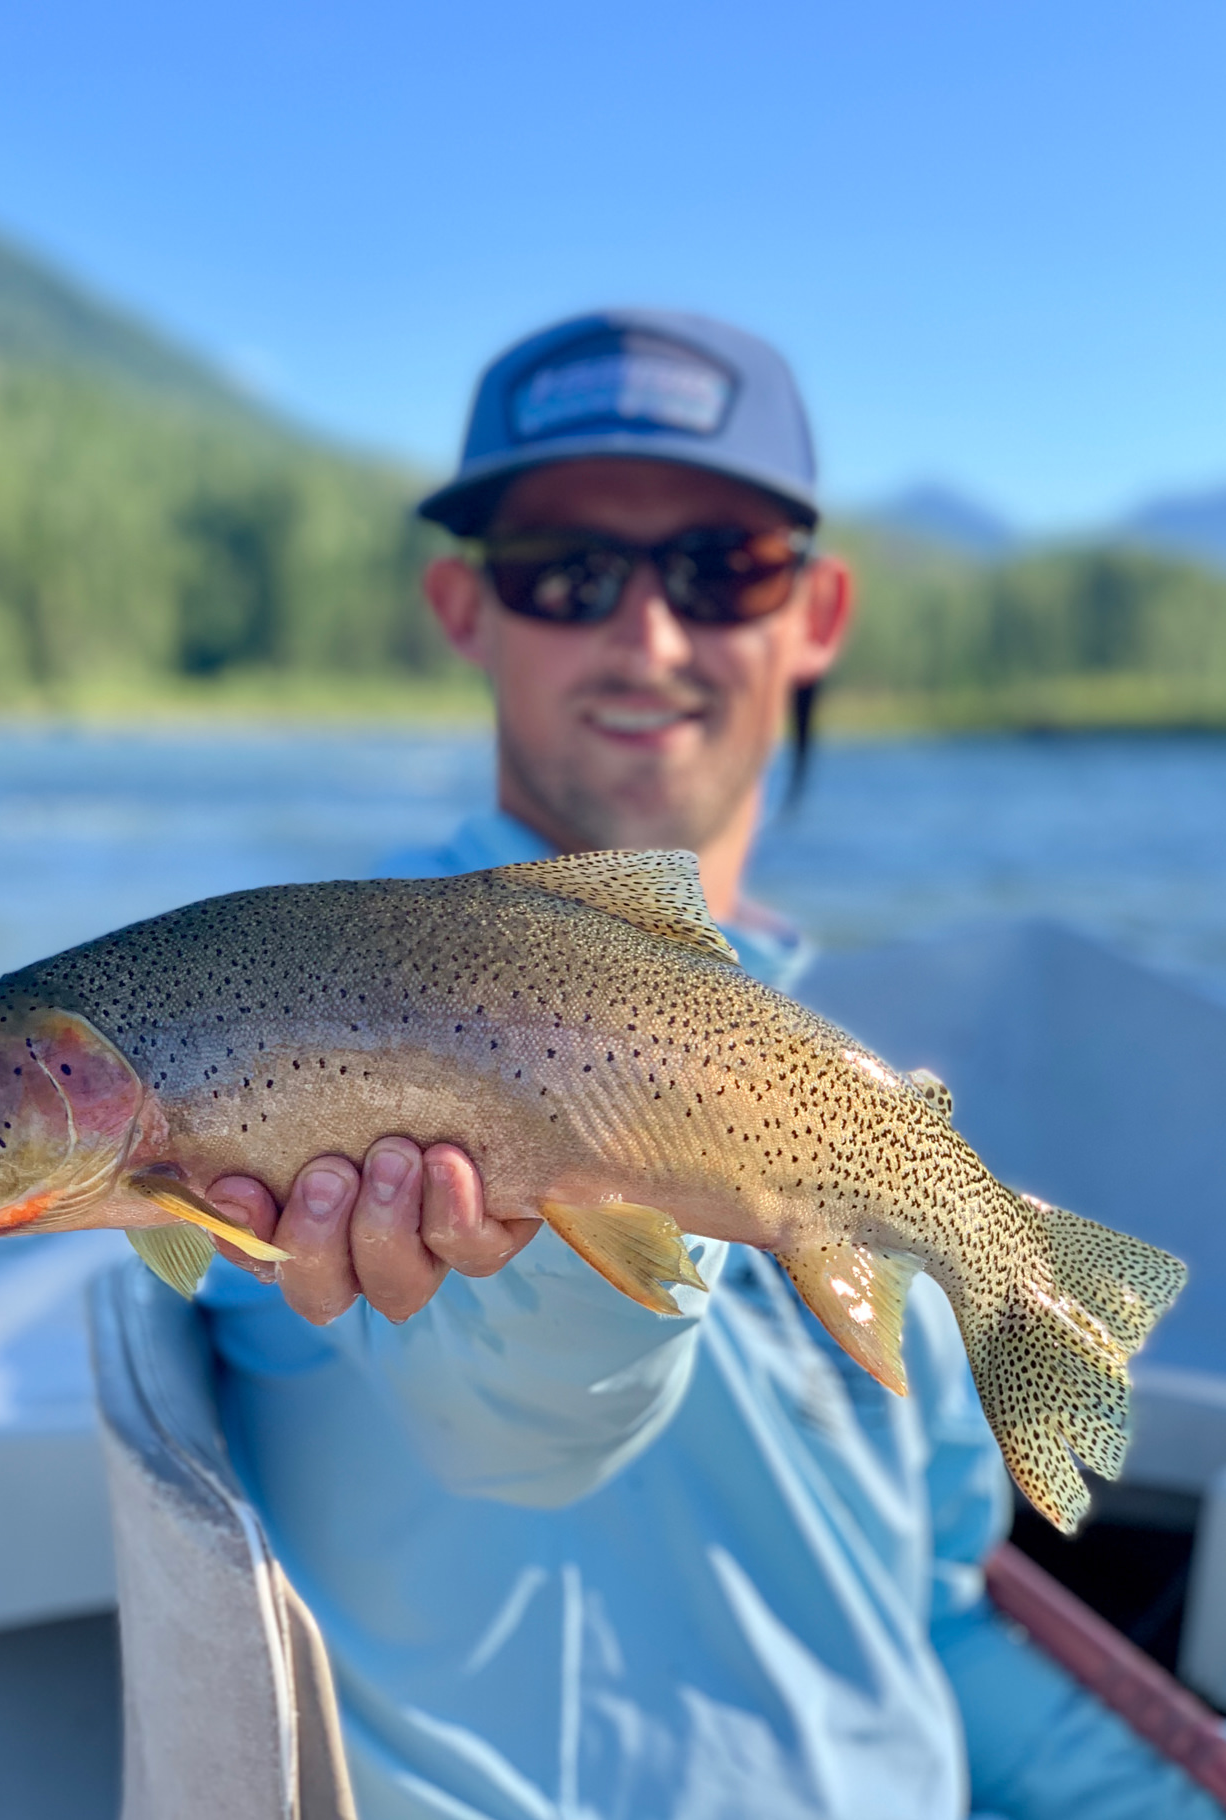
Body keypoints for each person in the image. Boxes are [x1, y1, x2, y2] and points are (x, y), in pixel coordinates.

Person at [194, 311, 1217, 1819]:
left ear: (816, 613)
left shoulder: (843, 1099)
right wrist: (552, 1189)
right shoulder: (302, 1033)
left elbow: (922, 1621)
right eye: (565, 572)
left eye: (720, 567)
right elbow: (520, 1427)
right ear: (464, 609)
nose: (648, 636)